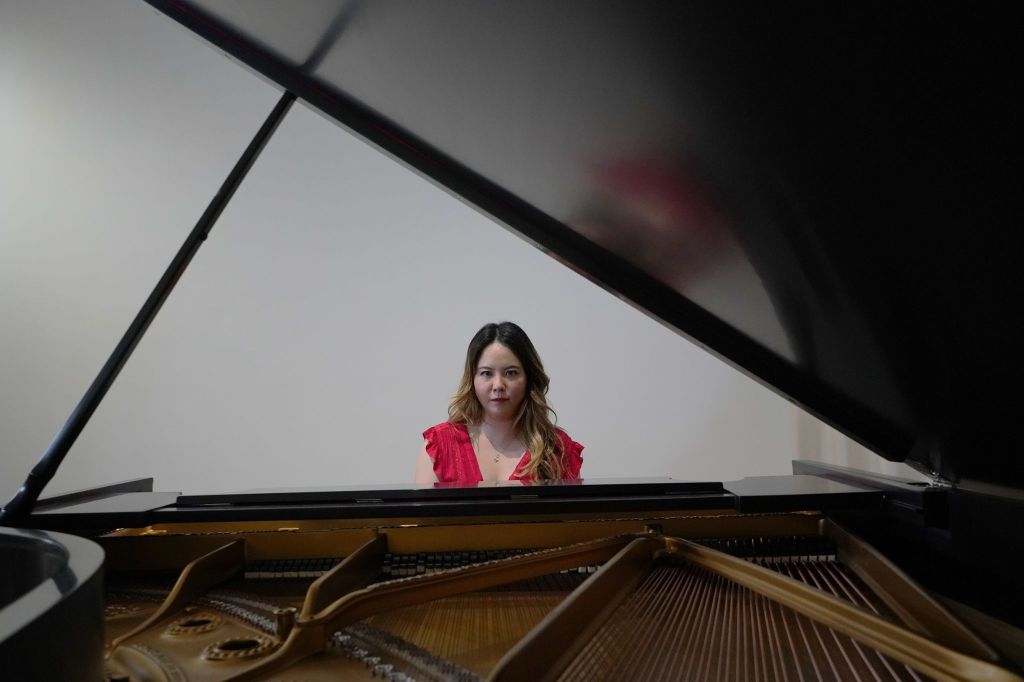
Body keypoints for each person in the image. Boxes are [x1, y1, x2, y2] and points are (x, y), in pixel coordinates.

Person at [415, 322, 583, 484]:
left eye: (510, 373)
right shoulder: (439, 446)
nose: (498, 385)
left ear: (529, 378)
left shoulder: (558, 450)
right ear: (472, 379)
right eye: (486, 373)